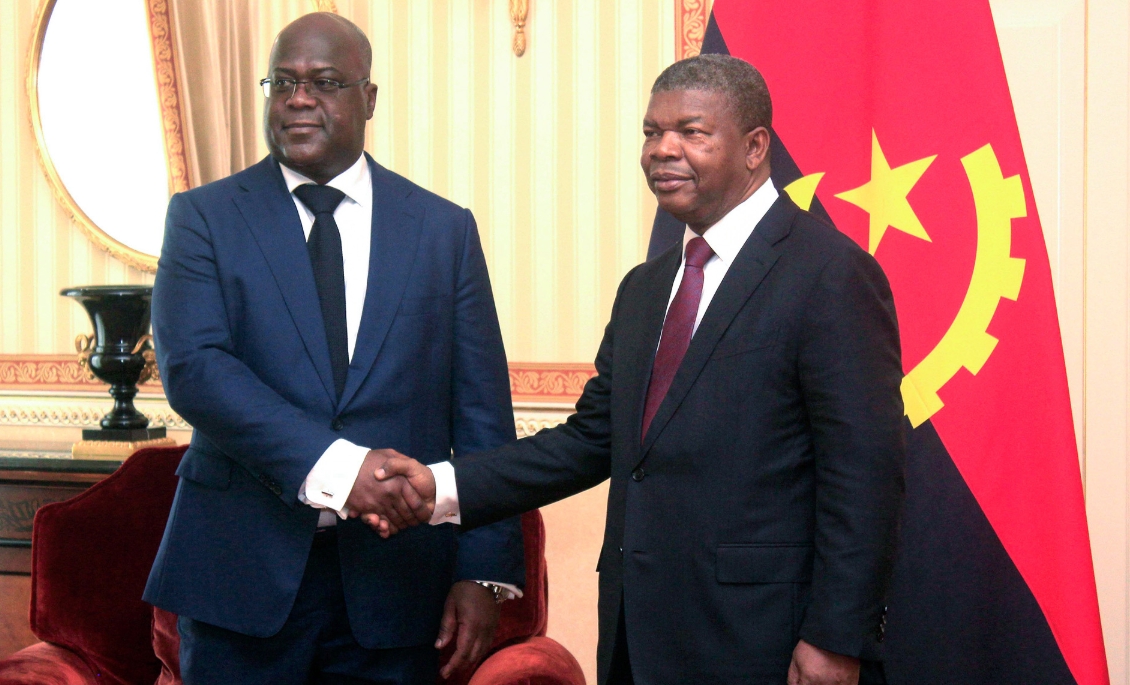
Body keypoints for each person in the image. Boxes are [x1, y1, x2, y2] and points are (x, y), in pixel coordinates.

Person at [369, 55, 906, 685]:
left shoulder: (830, 274)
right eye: (652, 132)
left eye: (692, 132)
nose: (662, 151)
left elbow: (864, 478)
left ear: (756, 147)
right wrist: (440, 486)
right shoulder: (646, 288)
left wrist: (836, 639)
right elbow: (590, 440)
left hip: (765, 642)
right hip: (637, 638)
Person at [144, 12, 524, 684]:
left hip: (398, 587)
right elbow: (195, 370)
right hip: (242, 584)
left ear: (367, 98)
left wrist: (484, 570)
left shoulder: (442, 231)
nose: (297, 98)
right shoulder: (203, 218)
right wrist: (343, 468)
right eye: (282, 82)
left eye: (324, 82)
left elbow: (483, 417)